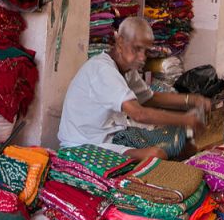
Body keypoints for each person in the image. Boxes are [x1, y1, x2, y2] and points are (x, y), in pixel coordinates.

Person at [58, 17, 211, 161]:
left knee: (182, 142)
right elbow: (139, 114)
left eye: (146, 51)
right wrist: (185, 120)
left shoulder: (126, 69)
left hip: (112, 135)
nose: (142, 57)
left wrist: (192, 100)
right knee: (156, 154)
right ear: (120, 43)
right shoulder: (103, 70)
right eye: (137, 49)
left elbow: (150, 98)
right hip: (85, 144)